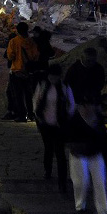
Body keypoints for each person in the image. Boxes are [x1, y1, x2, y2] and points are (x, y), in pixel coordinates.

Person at [66, 102, 107, 214]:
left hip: (95, 153)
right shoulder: (74, 118)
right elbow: (69, 137)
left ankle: (104, 213)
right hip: (79, 153)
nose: (87, 107)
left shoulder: (97, 118)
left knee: (100, 182)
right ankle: (80, 206)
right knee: (81, 181)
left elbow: (103, 138)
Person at [33, 64, 75, 192]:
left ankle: (62, 182)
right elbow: (36, 100)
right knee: (48, 148)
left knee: (60, 153)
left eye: (55, 77)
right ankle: (48, 170)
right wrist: (38, 116)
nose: (53, 79)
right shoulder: (43, 85)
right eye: (51, 76)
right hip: (45, 123)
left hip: (59, 125)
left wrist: (66, 117)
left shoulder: (64, 87)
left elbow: (72, 104)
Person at [6, 22, 40, 122]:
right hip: (28, 72)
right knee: (29, 94)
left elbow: (10, 56)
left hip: (17, 71)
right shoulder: (31, 42)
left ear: (17, 30)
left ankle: (22, 115)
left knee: (18, 95)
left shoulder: (14, 41)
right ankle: (31, 114)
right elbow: (36, 56)